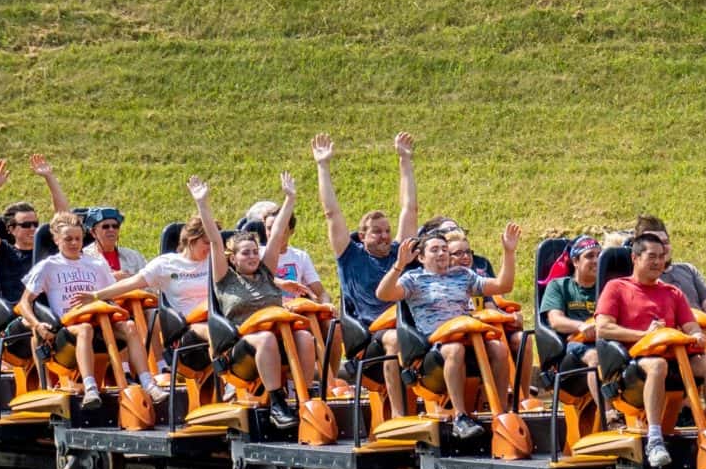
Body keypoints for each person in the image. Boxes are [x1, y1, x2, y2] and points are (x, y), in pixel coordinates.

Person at [594, 230, 706, 469]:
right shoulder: (616, 288)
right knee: (658, 365)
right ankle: (655, 439)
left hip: (674, 360)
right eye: (651, 257)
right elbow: (603, 328)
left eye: (661, 256)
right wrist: (645, 335)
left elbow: (691, 326)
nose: (658, 262)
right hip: (632, 365)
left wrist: (697, 335)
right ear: (635, 259)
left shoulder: (672, 293)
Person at [378, 221, 522, 446]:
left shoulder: (463, 275)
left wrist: (509, 252)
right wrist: (398, 265)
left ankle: (500, 413)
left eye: (444, 249)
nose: (441, 253)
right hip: (433, 347)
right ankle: (460, 417)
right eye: (434, 250)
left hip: (467, 337)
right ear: (422, 258)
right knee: (453, 349)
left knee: (498, 348)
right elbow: (384, 294)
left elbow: (504, 285)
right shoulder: (413, 280)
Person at [200, 174, 310, 432]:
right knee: (265, 339)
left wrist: (290, 199)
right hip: (239, 346)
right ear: (233, 258)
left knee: (304, 337)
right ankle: (276, 403)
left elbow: (277, 234)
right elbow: (215, 240)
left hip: (276, 336)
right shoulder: (224, 279)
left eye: (254, 251)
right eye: (245, 253)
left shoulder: (266, 272)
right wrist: (202, 203)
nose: (252, 256)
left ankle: (304, 396)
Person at [97, 204, 214, 398]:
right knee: (216, 331)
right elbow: (134, 282)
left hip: (215, 318)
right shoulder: (166, 263)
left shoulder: (215, 261)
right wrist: (96, 295)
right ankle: (229, 382)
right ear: (192, 240)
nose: (211, 248)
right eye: (206, 243)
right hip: (187, 328)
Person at [19, 209, 121, 418]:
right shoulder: (48, 266)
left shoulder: (96, 263)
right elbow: (24, 303)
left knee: (129, 326)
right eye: (68, 239)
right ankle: (91, 387)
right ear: (56, 240)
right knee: (84, 329)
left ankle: (145, 380)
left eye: (78, 239)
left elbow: (111, 295)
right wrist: (37, 324)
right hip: (68, 326)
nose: (74, 243)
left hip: (99, 320)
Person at [312, 131, 417, 325]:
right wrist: (322, 166)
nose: (384, 236)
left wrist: (405, 160)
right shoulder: (350, 255)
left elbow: (410, 209)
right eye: (376, 232)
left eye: (387, 231)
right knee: (396, 341)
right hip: (372, 330)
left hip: (406, 326)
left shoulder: (399, 252)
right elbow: (331, 213)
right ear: (362, 236)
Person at [635, 216, 706, 371]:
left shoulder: (687, 269)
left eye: (665, 242)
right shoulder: (648, 276)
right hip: (675, 334)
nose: (663, 248)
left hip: (702, 329)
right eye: (656, 244)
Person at [0, 155, 63, 304]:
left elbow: (63, 216)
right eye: (26, 225)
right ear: (11, 229)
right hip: (17, 314)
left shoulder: (46, 249)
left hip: (50, 310)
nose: (33, 229)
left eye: (35, 224)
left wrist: (49, 177)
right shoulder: (3, 252)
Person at [83, 205, 144, 278]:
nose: (111, 229)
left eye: (115, 226)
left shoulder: (134, 256)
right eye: (105, 226)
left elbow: (150, 285)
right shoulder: (83, 257)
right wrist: (111, 278)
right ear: (93, 232)